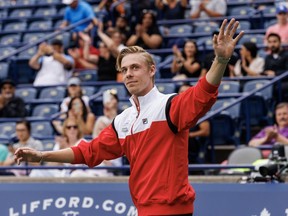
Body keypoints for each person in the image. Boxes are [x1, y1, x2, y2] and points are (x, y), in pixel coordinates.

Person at [14, 19, 244, 216]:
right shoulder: (123, 120)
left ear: (152, 70)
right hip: (142, 209)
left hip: (174, 210)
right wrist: (43, 155)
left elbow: (202, 93)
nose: (129, 74)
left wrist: (221, 61)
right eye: (124, 70)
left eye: (135, 68)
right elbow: (89, 152)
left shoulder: (169, 105)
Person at [178, 83, 210, 165]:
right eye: (181, 92)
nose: (182, 94)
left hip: (193, 142)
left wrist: (191, 135)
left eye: (185, 92)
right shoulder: (174, 109)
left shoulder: (198, 109)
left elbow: (205, 131)